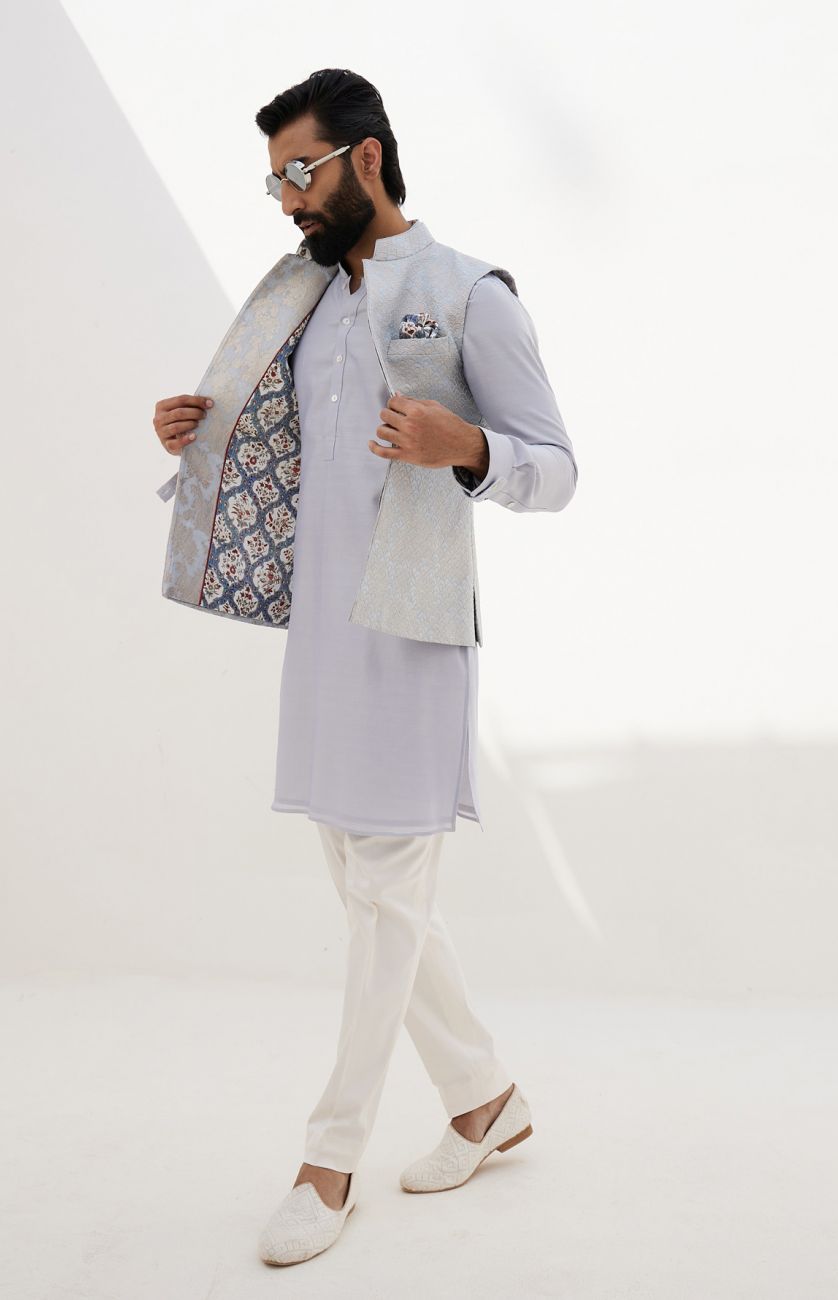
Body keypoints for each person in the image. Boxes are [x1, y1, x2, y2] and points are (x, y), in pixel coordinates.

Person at [152, 68, 576, 1268]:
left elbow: (555, 468)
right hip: (323, 637)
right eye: (275, 180)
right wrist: (198, 432)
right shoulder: (298, 300)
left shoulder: (468, 294)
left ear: (368, 158)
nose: (287, 197)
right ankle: (484, 1098)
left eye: (302, 170)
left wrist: (467, 443)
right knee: (373, 895)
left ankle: (326, 1158)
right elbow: (291, 444)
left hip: (413, 633)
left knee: (384, 897)